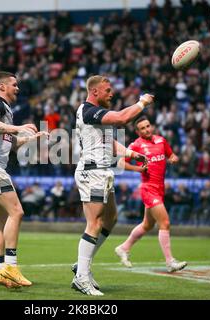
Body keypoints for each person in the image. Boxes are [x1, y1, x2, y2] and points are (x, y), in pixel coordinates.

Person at [71, 75, 153, 296]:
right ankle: (81, 276)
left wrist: (130, 153)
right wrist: (142, 103)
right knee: (95, 223)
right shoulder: (88, 110)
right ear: (95, 92)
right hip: (92, 172)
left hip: (102, 172)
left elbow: (108, 141)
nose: (111, 93)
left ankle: (82, 266)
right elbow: (121, 118)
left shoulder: (94, 115)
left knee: (110, 219)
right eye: (107, 90)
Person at [0, 71, 48, 289]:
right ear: (2, 86)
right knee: (17, 212)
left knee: (4, 218)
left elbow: (11, 144)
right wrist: (18, 127)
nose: (18, 88)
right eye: (14, 84)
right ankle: (11, 267)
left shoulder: (6, 110)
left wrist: (31, 138)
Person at [115, 117, 187, 273]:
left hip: (160, 188)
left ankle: (123, 247)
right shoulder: (136, 146)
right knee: (165, 222)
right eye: (143, 128)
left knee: (147, 225)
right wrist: (138, 169)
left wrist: (174, 158)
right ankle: (170, 261)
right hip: (148, 189)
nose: (147, 129)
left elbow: (171, 155)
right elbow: (120, 163)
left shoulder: (161, 140)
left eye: (148, 126)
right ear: (138, 131)